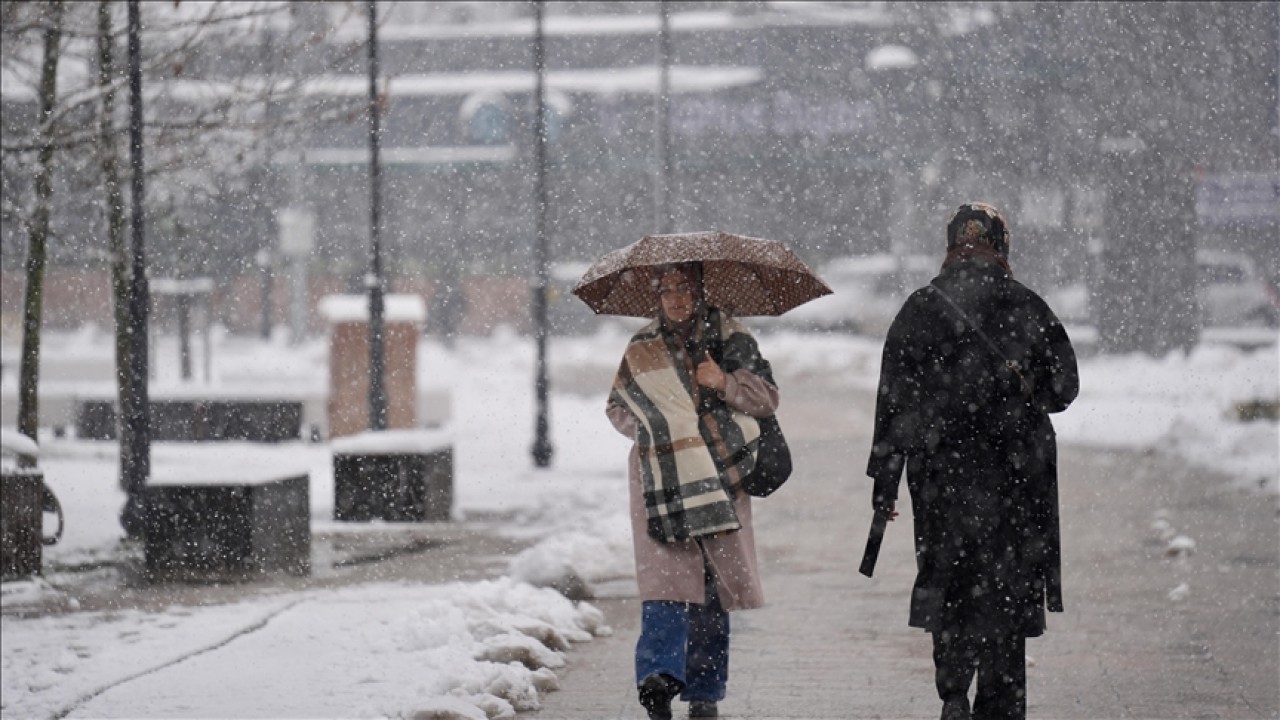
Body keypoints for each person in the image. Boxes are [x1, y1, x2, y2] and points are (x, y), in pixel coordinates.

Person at [866, 202, 1079, 720]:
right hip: (1014, 478)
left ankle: (954, 690)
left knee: (950, 585)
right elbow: (1063, 390)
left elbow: (894, 403)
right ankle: (1000, 701)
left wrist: (885, 484)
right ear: (1002, 247)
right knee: (1005, 595)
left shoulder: (920, 309)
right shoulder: (1028, 307)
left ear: (950, 245)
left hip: (941, 481)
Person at [606, 261, 779, 720]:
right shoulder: (642, 346)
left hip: (720, 476)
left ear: (700, 292)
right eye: (667, 292)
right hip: (660, 480)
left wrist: (723, 382)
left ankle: (704, 693)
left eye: (684, 290)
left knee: (709, 587)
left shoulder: (733, 338)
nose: (676, 300)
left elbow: (767, 399)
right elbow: (618, 408)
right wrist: (657, 429)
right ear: (657, 297)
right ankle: (657, 680)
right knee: (665, 582)